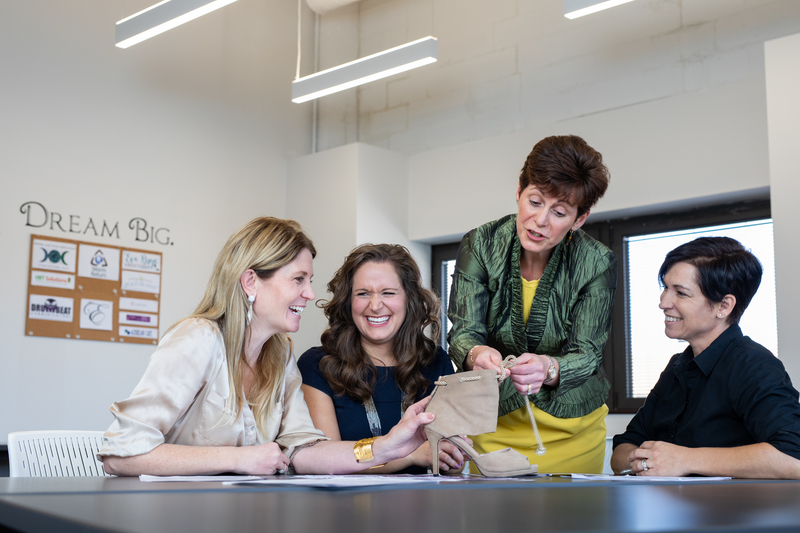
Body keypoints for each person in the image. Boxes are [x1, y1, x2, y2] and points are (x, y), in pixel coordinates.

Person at [98, 217, 435, 476]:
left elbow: (304, 451)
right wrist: (238, 458)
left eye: (309, 281)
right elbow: (120, 454)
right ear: (251, 282)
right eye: (298, 279)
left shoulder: (279, 352)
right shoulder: (198, 339)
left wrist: (387, 448)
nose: (309, 294)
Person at [448, 135, 616, 474]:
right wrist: (476, 354)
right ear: (519, 192)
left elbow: (588, 353)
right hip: (493, 426)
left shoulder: (596, 261)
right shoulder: (480, 244)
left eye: (559, 212)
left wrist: (549, 368)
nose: (540, 220)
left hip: (573, 431)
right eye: (535, 201)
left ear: (579, 219)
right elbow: (464, 332)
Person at [611, 237, 800, 478]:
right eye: (665, 288)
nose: (663, 302)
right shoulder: (677, 366)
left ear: (724, 306)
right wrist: (644, 462)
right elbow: (623, 447)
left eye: (681, 293)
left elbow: (793, 456)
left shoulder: (753, 364)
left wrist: (684, 460)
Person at [298, 244, 464, 474]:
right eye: (363, 293)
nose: (375, 306)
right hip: (344, 507)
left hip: (424, 506)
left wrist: (452, 455)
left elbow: (451, 465)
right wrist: (411, 457)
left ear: (409, 299)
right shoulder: (317, 365)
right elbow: (324, 461)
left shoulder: (436, 361)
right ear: (348, 301)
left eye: (388, 292)